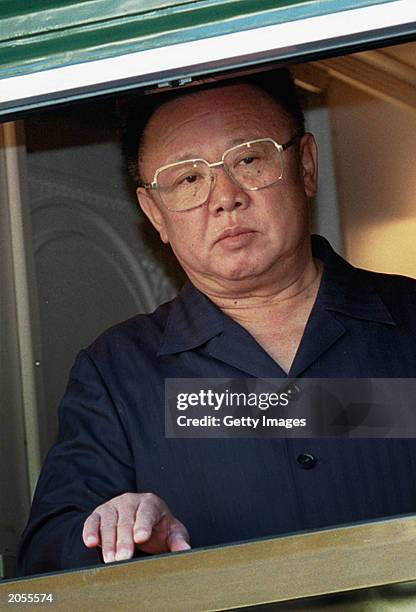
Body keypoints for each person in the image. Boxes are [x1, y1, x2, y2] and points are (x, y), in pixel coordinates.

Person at [17, 69, 416, 575]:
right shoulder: (116, 373)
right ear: (155, 214)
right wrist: (121, 538)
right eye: (188, 179)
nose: (225, 196)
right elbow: (43, 576)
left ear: (308, 166)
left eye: (249, 159)